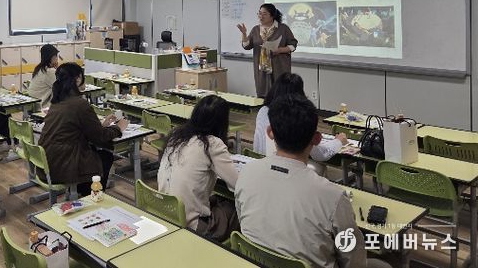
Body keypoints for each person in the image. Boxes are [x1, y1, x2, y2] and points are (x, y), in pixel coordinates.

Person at [236, 95, 391, 268]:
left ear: (270, 132)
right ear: (317, 139)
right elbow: (354, 261)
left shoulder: (245, 173)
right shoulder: (333, 197)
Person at [157, 95, 239, 242]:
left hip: (164, 211)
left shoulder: (176, 135)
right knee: (234, 209)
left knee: (215, 199)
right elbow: (237, 184)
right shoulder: (212, 143)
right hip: (190, 224)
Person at [38, 63, 128, 196]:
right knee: (105, 156)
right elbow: (100, 137)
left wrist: (101, 125)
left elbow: (73, 128)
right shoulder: (80, 104)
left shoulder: (57, 101)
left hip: (47, 162)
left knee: (95, 153)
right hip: (63, 165)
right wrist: (118, 127)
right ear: (78, 79)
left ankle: (81, 190)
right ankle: (90, 195)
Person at [253, 73, 347, 165]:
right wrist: (338, 141)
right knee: (318, 166)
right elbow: (321, 154)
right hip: (282, 165)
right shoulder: (293, 117)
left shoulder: (263, 110)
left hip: (258, 160)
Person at [237, 3, 298, 97]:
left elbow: (293, 45)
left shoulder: (283, 28)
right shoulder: (256, 29)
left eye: (264, 14)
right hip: (262, 71)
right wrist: (244, 34)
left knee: (281, 94)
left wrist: (280, 50)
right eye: (259, 13)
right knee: (264, 96)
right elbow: (246, 46)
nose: (261, 16)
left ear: (272, 15)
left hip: (280, 68)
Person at [28, 44, 59, 108]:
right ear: (51, 57)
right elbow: (62, 87)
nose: (57, 58)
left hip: (33, 104)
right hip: (41, 106)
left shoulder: (40, 68)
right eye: (55, 55)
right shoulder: (49, 71)